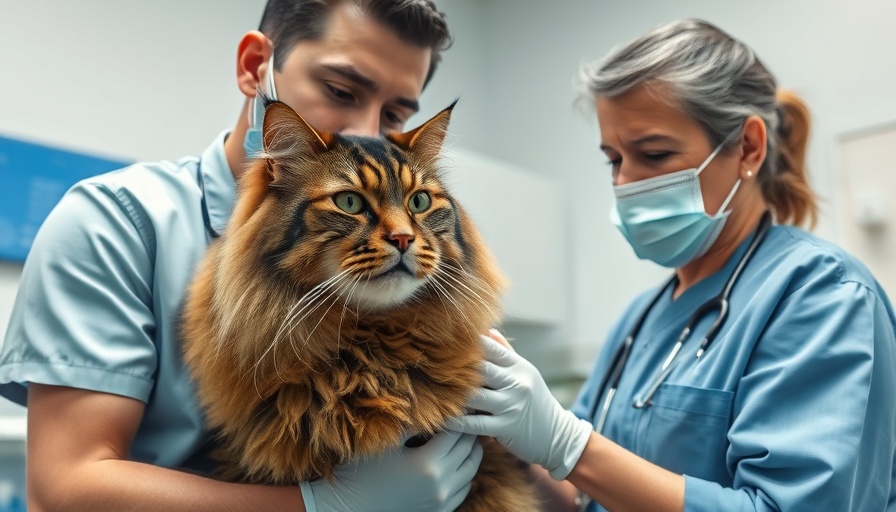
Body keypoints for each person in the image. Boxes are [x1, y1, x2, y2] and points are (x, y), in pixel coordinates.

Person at [0, 1, 484, 511]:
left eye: (393, 115)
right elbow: (64, 491)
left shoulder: (394, 236)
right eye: (340, 91)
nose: (365, 133)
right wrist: (320, 506)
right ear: (256, 68)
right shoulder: (113, 223)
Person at [448, 19, 896, 511]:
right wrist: (503, 433)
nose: (625, 183)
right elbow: (581, 493)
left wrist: (566, 445)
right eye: (613, 160)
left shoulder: (824, 296)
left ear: (748, 147)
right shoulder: (639, 320)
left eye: (654, 154)